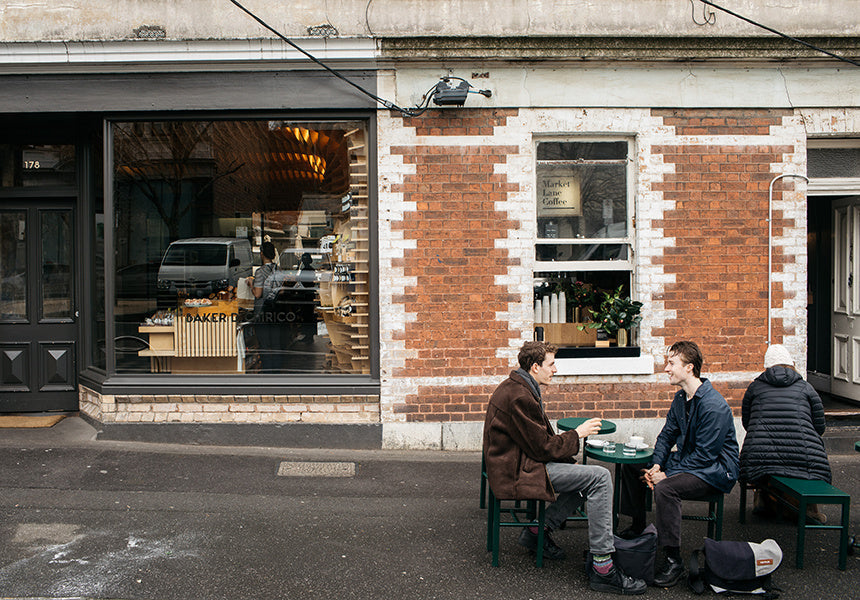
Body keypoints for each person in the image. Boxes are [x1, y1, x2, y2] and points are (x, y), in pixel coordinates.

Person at [483, 341, 646, 595]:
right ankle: (603, 567)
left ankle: (538, 530)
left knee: (588, 480)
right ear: (535, 367)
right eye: (551, 364)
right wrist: (576, 434)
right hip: (518, 471)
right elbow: (542, 449)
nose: (555, 369)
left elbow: (537, 444)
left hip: (520, 463)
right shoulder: (520, 395)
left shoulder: (517, 387)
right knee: (600, 478)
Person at [618, 341, 739, 588]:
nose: (666, 368)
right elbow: (665, 436)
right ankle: (638, 527)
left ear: (690, 368)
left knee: (666, 488)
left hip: (715, 471)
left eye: (671, 363)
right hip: (690, 461)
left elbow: (705, 457)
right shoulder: (681, 398)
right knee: (632, 464)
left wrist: (666, 475)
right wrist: (655, 466)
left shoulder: (713, 405)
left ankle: (674, 560)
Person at [740, 344, 831, 522]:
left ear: (767, 366)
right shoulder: (806, 388)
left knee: (765, 465)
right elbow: (819, 426)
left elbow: (747, 422)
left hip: (761, 457)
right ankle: (809, 512)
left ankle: (764, 503)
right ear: (791, 363)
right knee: (803, 471)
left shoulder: (755, 388)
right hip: (803, 456)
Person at [248, 241, 279, 372]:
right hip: (276, 310)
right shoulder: (277, 269)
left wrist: (251, 283)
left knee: (264, 343)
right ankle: (276, 369)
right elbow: (281, 290)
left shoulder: (260, 272)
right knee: (275, 342)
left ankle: (267, 371)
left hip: (262, 311)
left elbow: (258, 293)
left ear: (262, 254)